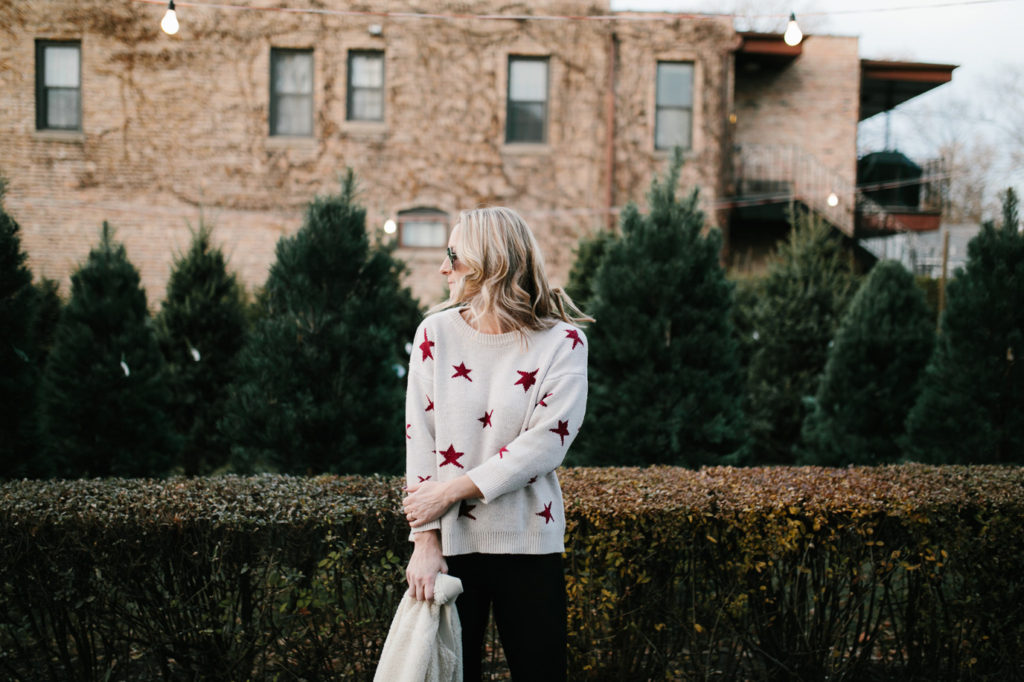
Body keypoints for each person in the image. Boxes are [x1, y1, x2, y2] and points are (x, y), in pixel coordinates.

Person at [401, 206, 591, 681]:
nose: (443, 268)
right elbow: (419, 444)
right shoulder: (434, 334)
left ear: (492, 263)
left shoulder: (563, 342)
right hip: (451, 546)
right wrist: (424, 542)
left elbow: (547, 444)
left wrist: (450, 491)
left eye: (454, 256)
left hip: (531, 542)